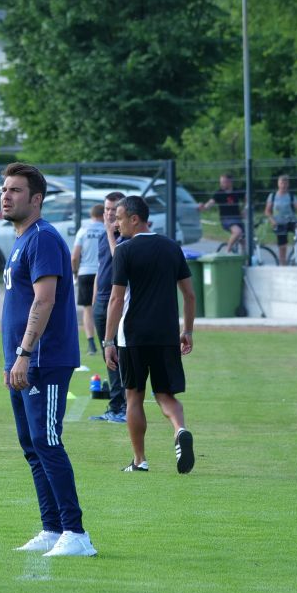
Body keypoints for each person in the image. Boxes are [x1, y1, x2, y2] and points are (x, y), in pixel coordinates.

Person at [0, 162, 97, 558]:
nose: (6, 196)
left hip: (44, 359)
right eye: (4, 189)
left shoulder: (42, 238)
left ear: (36, 199)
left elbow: (44, 300)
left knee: (47, 440)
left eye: (16, 190)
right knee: (31, 444)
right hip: (22, 361)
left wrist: (24, 353)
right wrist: (11, 361)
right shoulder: (22, 239)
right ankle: (52, 526)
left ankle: (76, 533)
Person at [102, 195, 197, 474]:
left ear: (135, 219)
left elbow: (116, 299)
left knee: (133, 396)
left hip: (133, 336)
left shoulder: (124, 251)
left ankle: (139, 460)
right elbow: (189, 295)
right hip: (166, 335)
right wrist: (187, 330)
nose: (117, 225)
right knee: (166, 395)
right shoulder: (172, 247)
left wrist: (108, 341)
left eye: (120, 218)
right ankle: (180, 430)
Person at [88, 191, 129, 423]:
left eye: (114, 210)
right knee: (109, 357)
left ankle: (123, 407)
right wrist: (95, 299)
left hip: (117, 302)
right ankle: (115, 406)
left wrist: (111, 233)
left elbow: (118, 259)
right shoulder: (105, 236)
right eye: (106, 209)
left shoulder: (125, 237)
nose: (109, 214)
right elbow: (101, 267)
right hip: (101, 302)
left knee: (119, 356)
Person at [72, 203, 105, 355]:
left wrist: (75, 272)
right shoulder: (106, 230)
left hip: (85, 273)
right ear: (103, 215)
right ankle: (107, 340)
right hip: (103, 272)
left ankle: (91, 344)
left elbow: (74, 256)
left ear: (91, 215)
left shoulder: (83, 230)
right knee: (106, 307)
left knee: (87, 309)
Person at [264, 174, 297, 265]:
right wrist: (272, 220)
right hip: (279, 223)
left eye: (285, 183)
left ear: (288, 184)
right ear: (278, 184)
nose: (283, 186)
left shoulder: (291, 196)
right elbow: (267, 211)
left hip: (291, 221)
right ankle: (283, 267)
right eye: (282, 183)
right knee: (282, 248)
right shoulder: (272, 196)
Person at [199, 173, 246, 251]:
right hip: (226, 219)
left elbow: (247, 198)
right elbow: (210, 203)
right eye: (221, 182)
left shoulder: (237, 191)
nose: (221, 184)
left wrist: (245, 209)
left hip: (238, 219)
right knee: (237, 232)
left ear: (230, 182)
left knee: (244, 239)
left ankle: (245, 257)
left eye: (224, 182)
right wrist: (203, 207)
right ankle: (227, 251)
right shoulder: (219, 193)